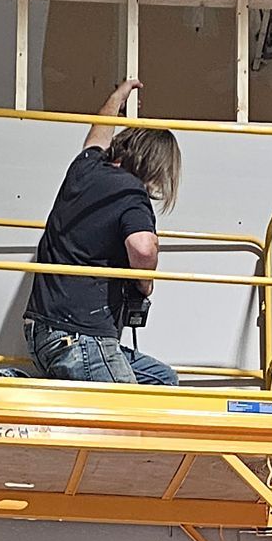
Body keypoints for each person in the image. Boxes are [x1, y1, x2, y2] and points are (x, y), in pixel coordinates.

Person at [23, 79, 182, 387]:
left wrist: (116, 99)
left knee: (163, 381)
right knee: (129, 410)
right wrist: (145, 283)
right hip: (80, 336)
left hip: (42, 333)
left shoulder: (85, 168)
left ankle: (29, 385)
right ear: (152, 166)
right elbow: (144, 248)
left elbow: (97, 136)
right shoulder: (132, 193)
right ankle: (11, 383)